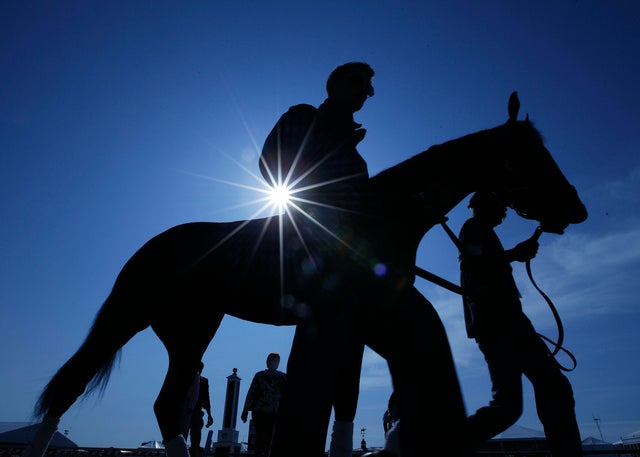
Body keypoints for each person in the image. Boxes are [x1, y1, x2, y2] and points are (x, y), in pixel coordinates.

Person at [262, 62, 471, 457]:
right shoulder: (304, 116)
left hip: (351, 256)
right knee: (323, 354)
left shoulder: (352, 142)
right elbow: (270, 167)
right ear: (335, 83)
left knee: (419, 333)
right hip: (317, 249)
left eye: (370, 88)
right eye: (360, 83)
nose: (367, 93)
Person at [458, 191, 582, 457]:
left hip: (501, 324)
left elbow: (481, 264)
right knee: (551, 390)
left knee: (511, 405)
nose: (505, 212)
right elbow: (475, 263)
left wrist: (512, 254)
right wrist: (514, 254)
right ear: (488, 206)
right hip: (502, 325)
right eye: (501, 206)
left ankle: (438, 446)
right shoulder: (473, 229)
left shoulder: (479, 231)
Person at [241, 353, 287, 457]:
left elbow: (251, 393)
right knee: (263, 438)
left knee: (266, 438)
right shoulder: (262, 376)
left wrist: (246, 410)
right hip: (262, 412)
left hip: (270, 412)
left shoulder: (282, 377)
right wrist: (245, 410)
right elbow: (251, 392)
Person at [182, 361, 213, 457]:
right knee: (184, 436)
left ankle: (193, 452)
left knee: (195, 439)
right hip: (187, 412)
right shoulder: (188, 379)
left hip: (196, 412)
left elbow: (206, 398)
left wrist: (209, 414)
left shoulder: (203, 381)